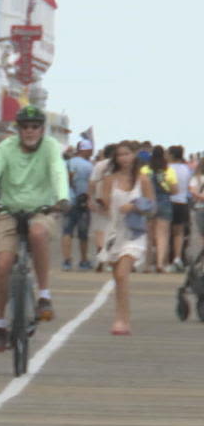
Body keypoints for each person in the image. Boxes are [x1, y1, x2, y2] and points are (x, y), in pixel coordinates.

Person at [0, 105, 69, 352]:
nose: (29, 131)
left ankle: (44, 295)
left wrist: (62, 197)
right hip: (9, 210)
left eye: (35, 127)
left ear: (42, 129)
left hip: (42, 210)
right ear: (18, 129)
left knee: (38, 234)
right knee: (3, 264)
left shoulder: (50, 147)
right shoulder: (6, 147)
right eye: (24, 127)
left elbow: (58, 172)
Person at [98, 142, 154, 335]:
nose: (124, 158)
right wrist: (97, 202)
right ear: (115, 158)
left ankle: (122, 320)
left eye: (127, 154)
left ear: (134, 156)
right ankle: (122, 315)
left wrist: (135, 206)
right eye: (120, 155)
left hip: (134, 233)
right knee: (117, 278)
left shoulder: (142, 180)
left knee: (122, 274)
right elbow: (104, 207)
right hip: (114, 233)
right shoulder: (109, 180)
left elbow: (152, 207)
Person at [61, 140, 95, 271]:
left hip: (68, 200)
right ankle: (83, 260)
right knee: (83, 233)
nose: (91, 152)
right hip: (82, 201)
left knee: (67, 231)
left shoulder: (67, 163)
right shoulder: (88, 166)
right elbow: (92, 184)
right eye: (90, 150)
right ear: (85, 150)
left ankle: (67, 260)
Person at [146, 145, 176, 272]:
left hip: (148, 202)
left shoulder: (145, 170)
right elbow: (175, 190)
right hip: (164, 201)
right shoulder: (168, 170)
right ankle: (160, 263)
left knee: (148, 235)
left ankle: (147, 265)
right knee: (162, 235)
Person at [88, 143, 117, 270]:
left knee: (99, 228)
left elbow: (92, 182)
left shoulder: (99, 165)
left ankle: (100, 252)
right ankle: (109, 257)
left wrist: (90, 198)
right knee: (112, 229)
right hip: (114, 196)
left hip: (99, 196)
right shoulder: (117, 165)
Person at [168, 145, 192, 271]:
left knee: (167, 233)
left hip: (169, 201)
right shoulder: (186, 169)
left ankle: (166, 258)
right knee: (179, 232)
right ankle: (177, 257)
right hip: (182, 203)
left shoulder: (167, 168)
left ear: (171, 155)